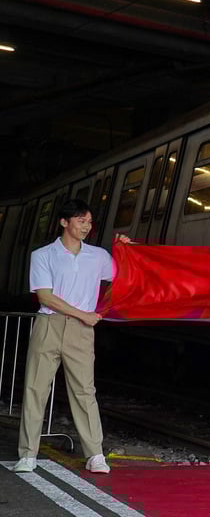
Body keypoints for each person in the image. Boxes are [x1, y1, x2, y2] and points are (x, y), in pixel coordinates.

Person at [13, 199, 129, 475]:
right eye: (81, 220)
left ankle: (95, 455)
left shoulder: (98, 256)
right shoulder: (43, 255)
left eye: (89, 221)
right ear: (64, 222)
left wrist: (125, 251)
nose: (86, 226)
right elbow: (45, 296)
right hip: (49, 325)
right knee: (35, 389)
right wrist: (84, 314)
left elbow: (124, 277)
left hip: (81, 330)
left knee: (84, 391)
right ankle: (27, 454)